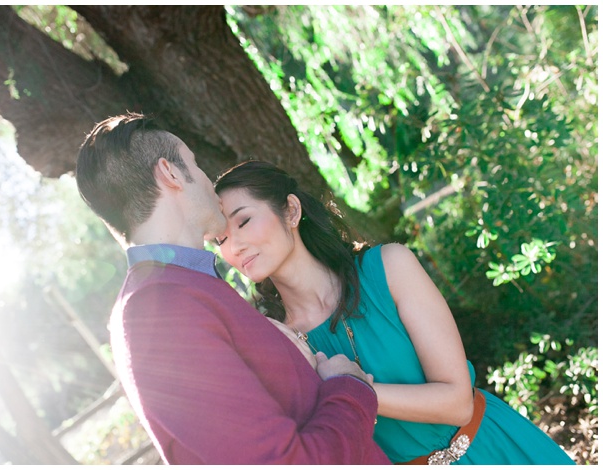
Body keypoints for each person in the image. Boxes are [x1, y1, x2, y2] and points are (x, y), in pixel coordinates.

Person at [74, 113, 390, 465]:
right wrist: (349, 388)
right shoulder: (156, 313)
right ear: (171, 173)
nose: (210, 183)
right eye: (195, 163)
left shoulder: (183, 291)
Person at [213, 160, 576, 465]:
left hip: (494, 450)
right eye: (221, 239)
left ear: (291, 210)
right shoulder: (274, 340)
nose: (235, 245)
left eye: (243, 221)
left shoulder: (388, 268)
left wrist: (347, 386)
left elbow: (457, 403)